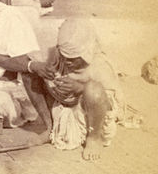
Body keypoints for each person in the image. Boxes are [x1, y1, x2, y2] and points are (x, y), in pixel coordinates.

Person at [23, 18, 125, 160]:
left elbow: (110, 103)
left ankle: (94, 139)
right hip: (61, 106)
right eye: (64, 56)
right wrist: (48, 73)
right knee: (29, 72)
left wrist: (80, 88)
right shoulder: (57, 55)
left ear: (86, 52)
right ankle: (50, 128)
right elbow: (31, 63)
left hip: (89, 115)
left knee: (93, 89)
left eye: (73, 58)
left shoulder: (100, 65)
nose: (67, 61)